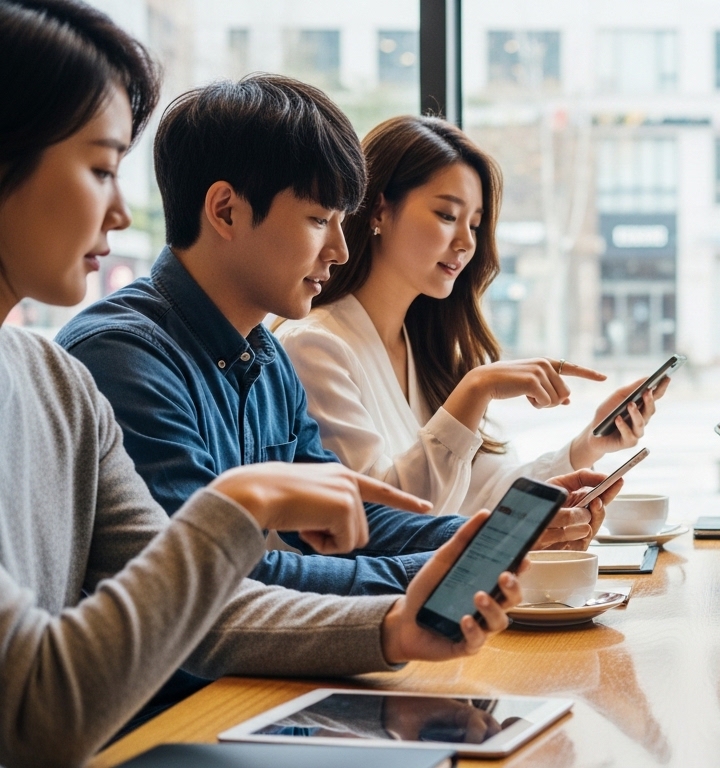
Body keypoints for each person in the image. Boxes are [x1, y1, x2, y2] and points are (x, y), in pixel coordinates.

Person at [0, 2, 520, 764]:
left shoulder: (54, 378)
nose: (118, 211)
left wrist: (394, 625)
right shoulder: (108, 356)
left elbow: (200, 611)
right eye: (101, 167)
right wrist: (240, 507)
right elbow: (38, 711)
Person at [274, 114, 661, 527]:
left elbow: (483, 498)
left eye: (474, 224)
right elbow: (384, 526)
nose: (466, 243)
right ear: (379, 209)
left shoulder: (428, 349)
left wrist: (587, 445)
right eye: (446, 215)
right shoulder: (314, 347)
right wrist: (477, 389)